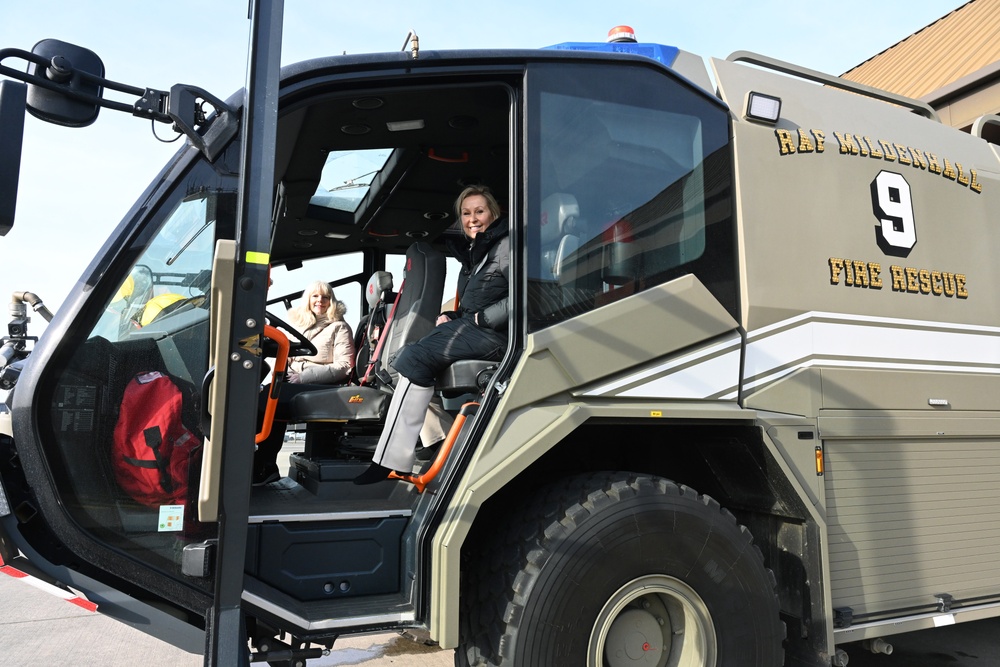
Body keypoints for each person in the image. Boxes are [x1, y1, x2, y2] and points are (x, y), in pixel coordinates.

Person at [354, 185, 509, 484]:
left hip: (497, 336)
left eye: (479, 211)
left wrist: (482, 318)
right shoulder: (474, 257)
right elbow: (476, 303)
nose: (472, 218)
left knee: (414, 356)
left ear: (494, 212)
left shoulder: (507, 246)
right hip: (475, 328)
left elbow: (525, 295)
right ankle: (411, 453)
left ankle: (390, 460)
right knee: (408, 356)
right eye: (466, 213)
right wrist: (451, 315)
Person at [253, 281, 355, 485]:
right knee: (258, 396)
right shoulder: (300, 325)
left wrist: (303, 377)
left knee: (264, 403)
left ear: (331, 301)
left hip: (320, 385)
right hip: (292, 379)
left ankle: (263, 466)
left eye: (325, 297)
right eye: (315, 296)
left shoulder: (339, 327)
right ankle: (259, 465)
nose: (320, 301)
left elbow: (345, 366)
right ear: (308, 300)